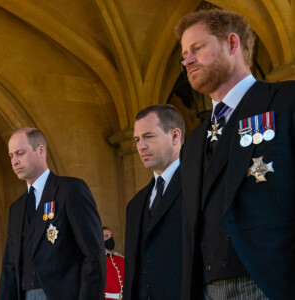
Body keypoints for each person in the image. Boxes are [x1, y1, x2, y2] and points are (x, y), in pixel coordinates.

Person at [175, 8, 295, 300]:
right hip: (205, 289)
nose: (187, 60)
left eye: (197, 48)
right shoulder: (192, 144)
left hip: (272, 283)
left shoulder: (286, 102)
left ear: (232, 43)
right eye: (184, 54)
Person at [0, 128, 106, 300]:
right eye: (11, 155)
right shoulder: (16, 208)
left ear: (40, 151)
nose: (14, 161)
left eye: (20, 153)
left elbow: (93, 254)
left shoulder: (70, 190)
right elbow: (9, 267)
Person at [123, 104, 185, 300]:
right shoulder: (135, 204)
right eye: (137, 139)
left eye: (149, 136)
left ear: (175, 136)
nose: (141, 146)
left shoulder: (199, 186)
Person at [103, 226, 124, 300]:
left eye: (111, 236)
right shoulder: (97, 262)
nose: (110, 238)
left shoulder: (122, 259)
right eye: (106, 236)